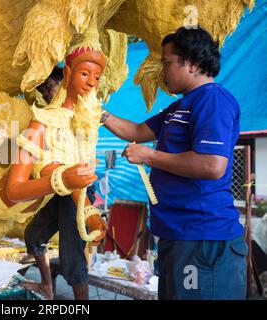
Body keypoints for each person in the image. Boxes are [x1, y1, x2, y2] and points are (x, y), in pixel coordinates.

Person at [101, 26, 247, 300]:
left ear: (191, 63)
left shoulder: (213, 100)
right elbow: (135, 132)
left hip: (202, 238)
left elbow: (211, 165)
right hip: (177, 236)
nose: (162, 71)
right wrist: (97, 113)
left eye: (167, 63)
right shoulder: (179, 108)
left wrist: (148, 155)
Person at [20, 66, 99, 300]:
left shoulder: (77, 116)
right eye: (42, 89)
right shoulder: (46, 118)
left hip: (79, 189)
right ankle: (47, 286)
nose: (46, 93)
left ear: (64, 85)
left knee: (71, 257)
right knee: (34, 235)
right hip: (61, 189)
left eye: (50, 87)